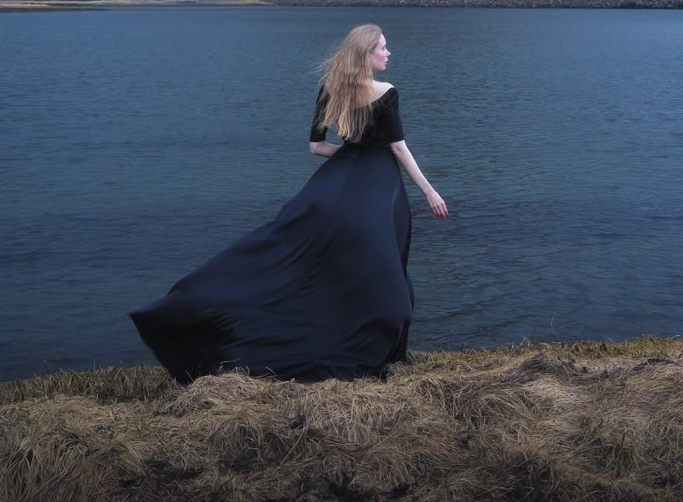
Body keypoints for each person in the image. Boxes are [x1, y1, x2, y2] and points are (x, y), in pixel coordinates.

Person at [130, 23, 447, 383]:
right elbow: (397, 147)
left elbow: (316, 147)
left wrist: (352, 154)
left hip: (335, 183)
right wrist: (429, 190)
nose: (389, 54)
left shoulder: (330, 88)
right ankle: (373, 355)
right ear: (366, 54)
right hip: (379, 190)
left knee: (297, 257)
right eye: (383, 48)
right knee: (385, 278)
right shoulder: (386, 92)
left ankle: (208, 309)